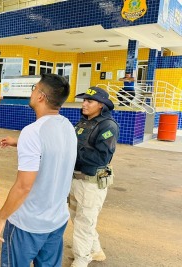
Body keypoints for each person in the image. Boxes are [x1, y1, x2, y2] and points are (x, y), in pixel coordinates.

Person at [0, 73, 77, 266]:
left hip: (27, 225)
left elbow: (23, 186)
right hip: (56, 221)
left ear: (41, 97)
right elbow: (51, 149)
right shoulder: (68, 127)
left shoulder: (32, 132)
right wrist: (18, 143)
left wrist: (1, 218)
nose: (32, 92)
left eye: (34, 88)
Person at [70, 87, 120, 267]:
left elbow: (101, 158)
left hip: (91, 183)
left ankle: (81, 259)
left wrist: (72, 153)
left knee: (84, 222)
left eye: (89, 101)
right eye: (84, 100)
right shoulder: (82, 123)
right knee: (81, 219)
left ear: (101, 105)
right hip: (75, 179)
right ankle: (96, 250)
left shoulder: (108, 126)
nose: (84, 103)